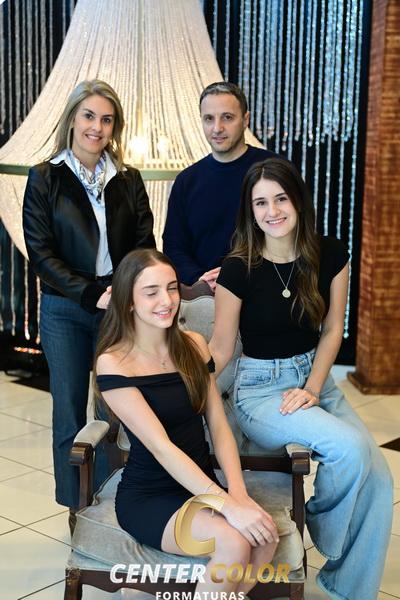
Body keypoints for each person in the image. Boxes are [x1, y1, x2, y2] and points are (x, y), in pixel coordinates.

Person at [209, 158, 393, 600]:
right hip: (261, 390)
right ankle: (318, 525)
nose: (272, 211)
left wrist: (312, 387)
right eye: (260, 203)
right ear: (250, 210)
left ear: (298, 201)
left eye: (281, 199)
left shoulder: (330, 253)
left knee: (380, 480)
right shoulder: (237, 268)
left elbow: (332, 330)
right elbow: (220, 347)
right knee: (349, 449)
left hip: (315, 380)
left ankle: (349, 589)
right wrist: (183, 387)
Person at [94, 248, 279, 597]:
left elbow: (218, 425)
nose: (166, 301)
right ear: (129, 301)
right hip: (150, 495)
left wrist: (237, 493)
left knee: (265, 538)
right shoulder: (115, 362)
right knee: (234, 542)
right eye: (151, 292)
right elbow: (162, 448)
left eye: (171, 288)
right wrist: (227, 506)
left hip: (199, 483)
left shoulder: (193, 345)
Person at [22, 79, 155, 528]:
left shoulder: (128, 179)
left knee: (114, 410)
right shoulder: (45, 177)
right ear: (72, 118)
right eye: (89, 116)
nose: (96, 127)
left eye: (106, 119)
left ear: (115, 127)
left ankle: (113, 499)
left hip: (117, 306)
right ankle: (76, 505)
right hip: (65, 307)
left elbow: (144, 245)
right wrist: (89, 293)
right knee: (69, 411)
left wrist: (126, 292)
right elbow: (41, 255)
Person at [163, 81, 276, 290]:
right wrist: (202, 280)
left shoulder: (274, 170)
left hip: (263, 290)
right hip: (202, 294)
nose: (217, 128)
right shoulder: (186, 181)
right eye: (209, 119)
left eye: (227, 117)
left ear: (245, 120)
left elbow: (292, 237)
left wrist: (235, 278)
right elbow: (174, 247)